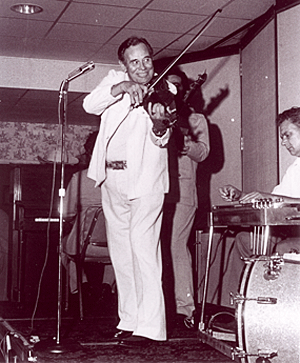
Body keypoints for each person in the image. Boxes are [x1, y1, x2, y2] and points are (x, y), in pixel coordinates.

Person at [83, 36, 175, 344]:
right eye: (134, 61)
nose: (143, 66)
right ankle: (130, 319)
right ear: (125, 65)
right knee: (121, 253)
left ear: (153, 59)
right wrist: (121, 88)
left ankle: (151, 327)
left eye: (147, 59)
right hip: (112, 178)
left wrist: (159, 123)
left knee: (143, 247)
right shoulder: (115, 80)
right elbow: (89, 104)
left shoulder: (166, 92)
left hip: (146, 180)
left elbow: (161, 140)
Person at [219, 106, 300, 296]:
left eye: (288, 135)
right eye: (282, 137)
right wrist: (241, 196)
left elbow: (277, 199)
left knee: (282, 247)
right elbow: (275, 202)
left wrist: (268, 196)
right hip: (293, 231)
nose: (283, 142)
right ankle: (244, 306)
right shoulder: (295, 168)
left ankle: (277, 306)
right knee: (245, 240)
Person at [160, 67, 210, 331]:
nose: (175, 90)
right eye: (169, 85)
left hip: (183, 193)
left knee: (176, 247)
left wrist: (184, 143)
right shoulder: (153, 116)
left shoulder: (197, 119)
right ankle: (155, 308)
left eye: (178, 85)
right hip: (156, 191)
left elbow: (203, 153)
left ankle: (184, 310)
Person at [62, 132, 115, 305]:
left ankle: (80, 287)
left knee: (62, 248)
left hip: (83, 248)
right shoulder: (119, 179)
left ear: (89, 152)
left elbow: (67, 214)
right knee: (120, 250)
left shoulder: (79, 178)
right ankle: (107, 286)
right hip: (111, 248)